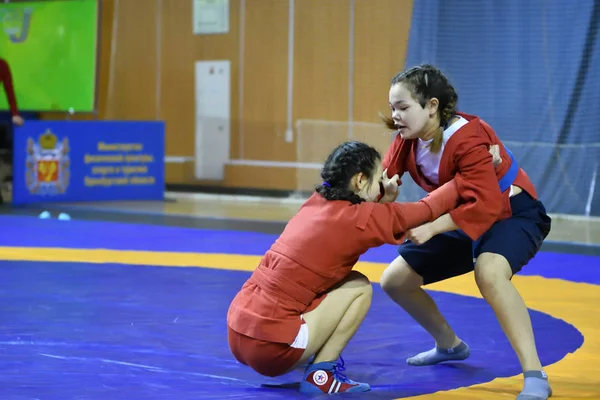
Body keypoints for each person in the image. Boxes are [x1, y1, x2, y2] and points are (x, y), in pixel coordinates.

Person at [227, 141, 464, 395]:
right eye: (377, 180)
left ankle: (308, 358)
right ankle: (321, 375)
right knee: (359, 286)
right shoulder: (360, 219)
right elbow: (427, 209)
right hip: (272, 347)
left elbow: (357, 221)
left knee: (329, 281)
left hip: (237, 328)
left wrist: (382, 200)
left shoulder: (315, 202)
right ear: (360, 181)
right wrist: (469, 177)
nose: (381, 185)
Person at [378, 64, 552, 400]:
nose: (396, 117)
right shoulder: (408, 139)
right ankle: (449, 345)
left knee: (489, 273)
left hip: (512, 215)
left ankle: (535, 373)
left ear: (431, 106)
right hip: (464, 215)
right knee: (395, 281)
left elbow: (486, 206)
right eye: (392, 109)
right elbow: (384, 179)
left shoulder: (469, 138)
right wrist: (383, 195)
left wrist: (430, 227)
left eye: (403, 108)